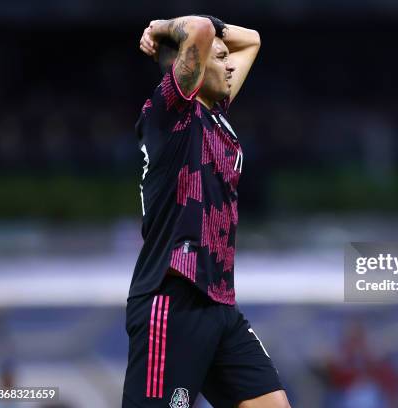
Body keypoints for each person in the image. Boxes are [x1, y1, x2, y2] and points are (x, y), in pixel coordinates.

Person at [122, 15, 290, 408]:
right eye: (218, 58)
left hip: (219, 302)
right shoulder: (172, 111)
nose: (230, 64)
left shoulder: (216, 112)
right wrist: (161, 26)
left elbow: (253, 40)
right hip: (172, 297)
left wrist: (216, 35)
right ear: (190, 65)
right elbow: (197, 28)